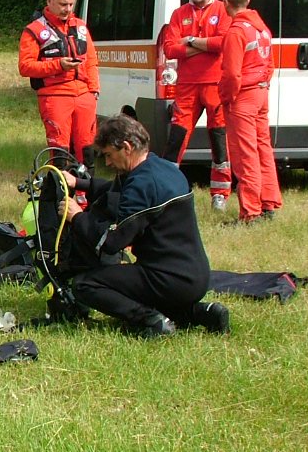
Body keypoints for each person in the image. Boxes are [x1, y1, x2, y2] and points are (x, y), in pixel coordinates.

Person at [61, 115, 229, 338]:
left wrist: (77, 216)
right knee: (140, 287)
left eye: (109, 155)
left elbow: (112, 242)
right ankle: (201, 313)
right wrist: (80, 183)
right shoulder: (162, 168)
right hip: (195, 275)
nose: (108, 163)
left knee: (85, 284)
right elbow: (115, 190)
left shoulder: (141, 185)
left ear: (127, 147)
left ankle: (151, 321)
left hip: (168, 279)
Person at [159, 0, 232, 210]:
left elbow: (222, 43)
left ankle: (220, 194)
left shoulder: (223, 10)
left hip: (215, 84)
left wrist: (189, 41)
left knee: (219, 139)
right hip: (187, 86)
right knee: (176, 139)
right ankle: (167, 192)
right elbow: (170, 49)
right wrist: (203, 45)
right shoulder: (179, 14)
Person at [219, 0, 283, 224]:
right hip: (260, 94)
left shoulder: (236, 31)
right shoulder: (262, 28)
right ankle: (268, 202)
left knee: (245, 154)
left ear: (225, 3)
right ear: (247, 1)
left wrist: (226, 97)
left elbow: (232, 74)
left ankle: (250, 212)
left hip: (242, 98)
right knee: (262, 150)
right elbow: (270, 66)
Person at [18, 0, 99, 168]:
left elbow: (92, 60)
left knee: (87, 148)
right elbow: (25, 67)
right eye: (63, 4)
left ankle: (85, 193)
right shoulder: (35, 30)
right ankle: (60, 193)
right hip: (54, 95)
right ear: (50, 2)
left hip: (84, 94)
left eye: (71, 4)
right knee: (59, 149)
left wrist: (94, 90)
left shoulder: (80, 26)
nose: (68, 9)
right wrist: (58, 65)